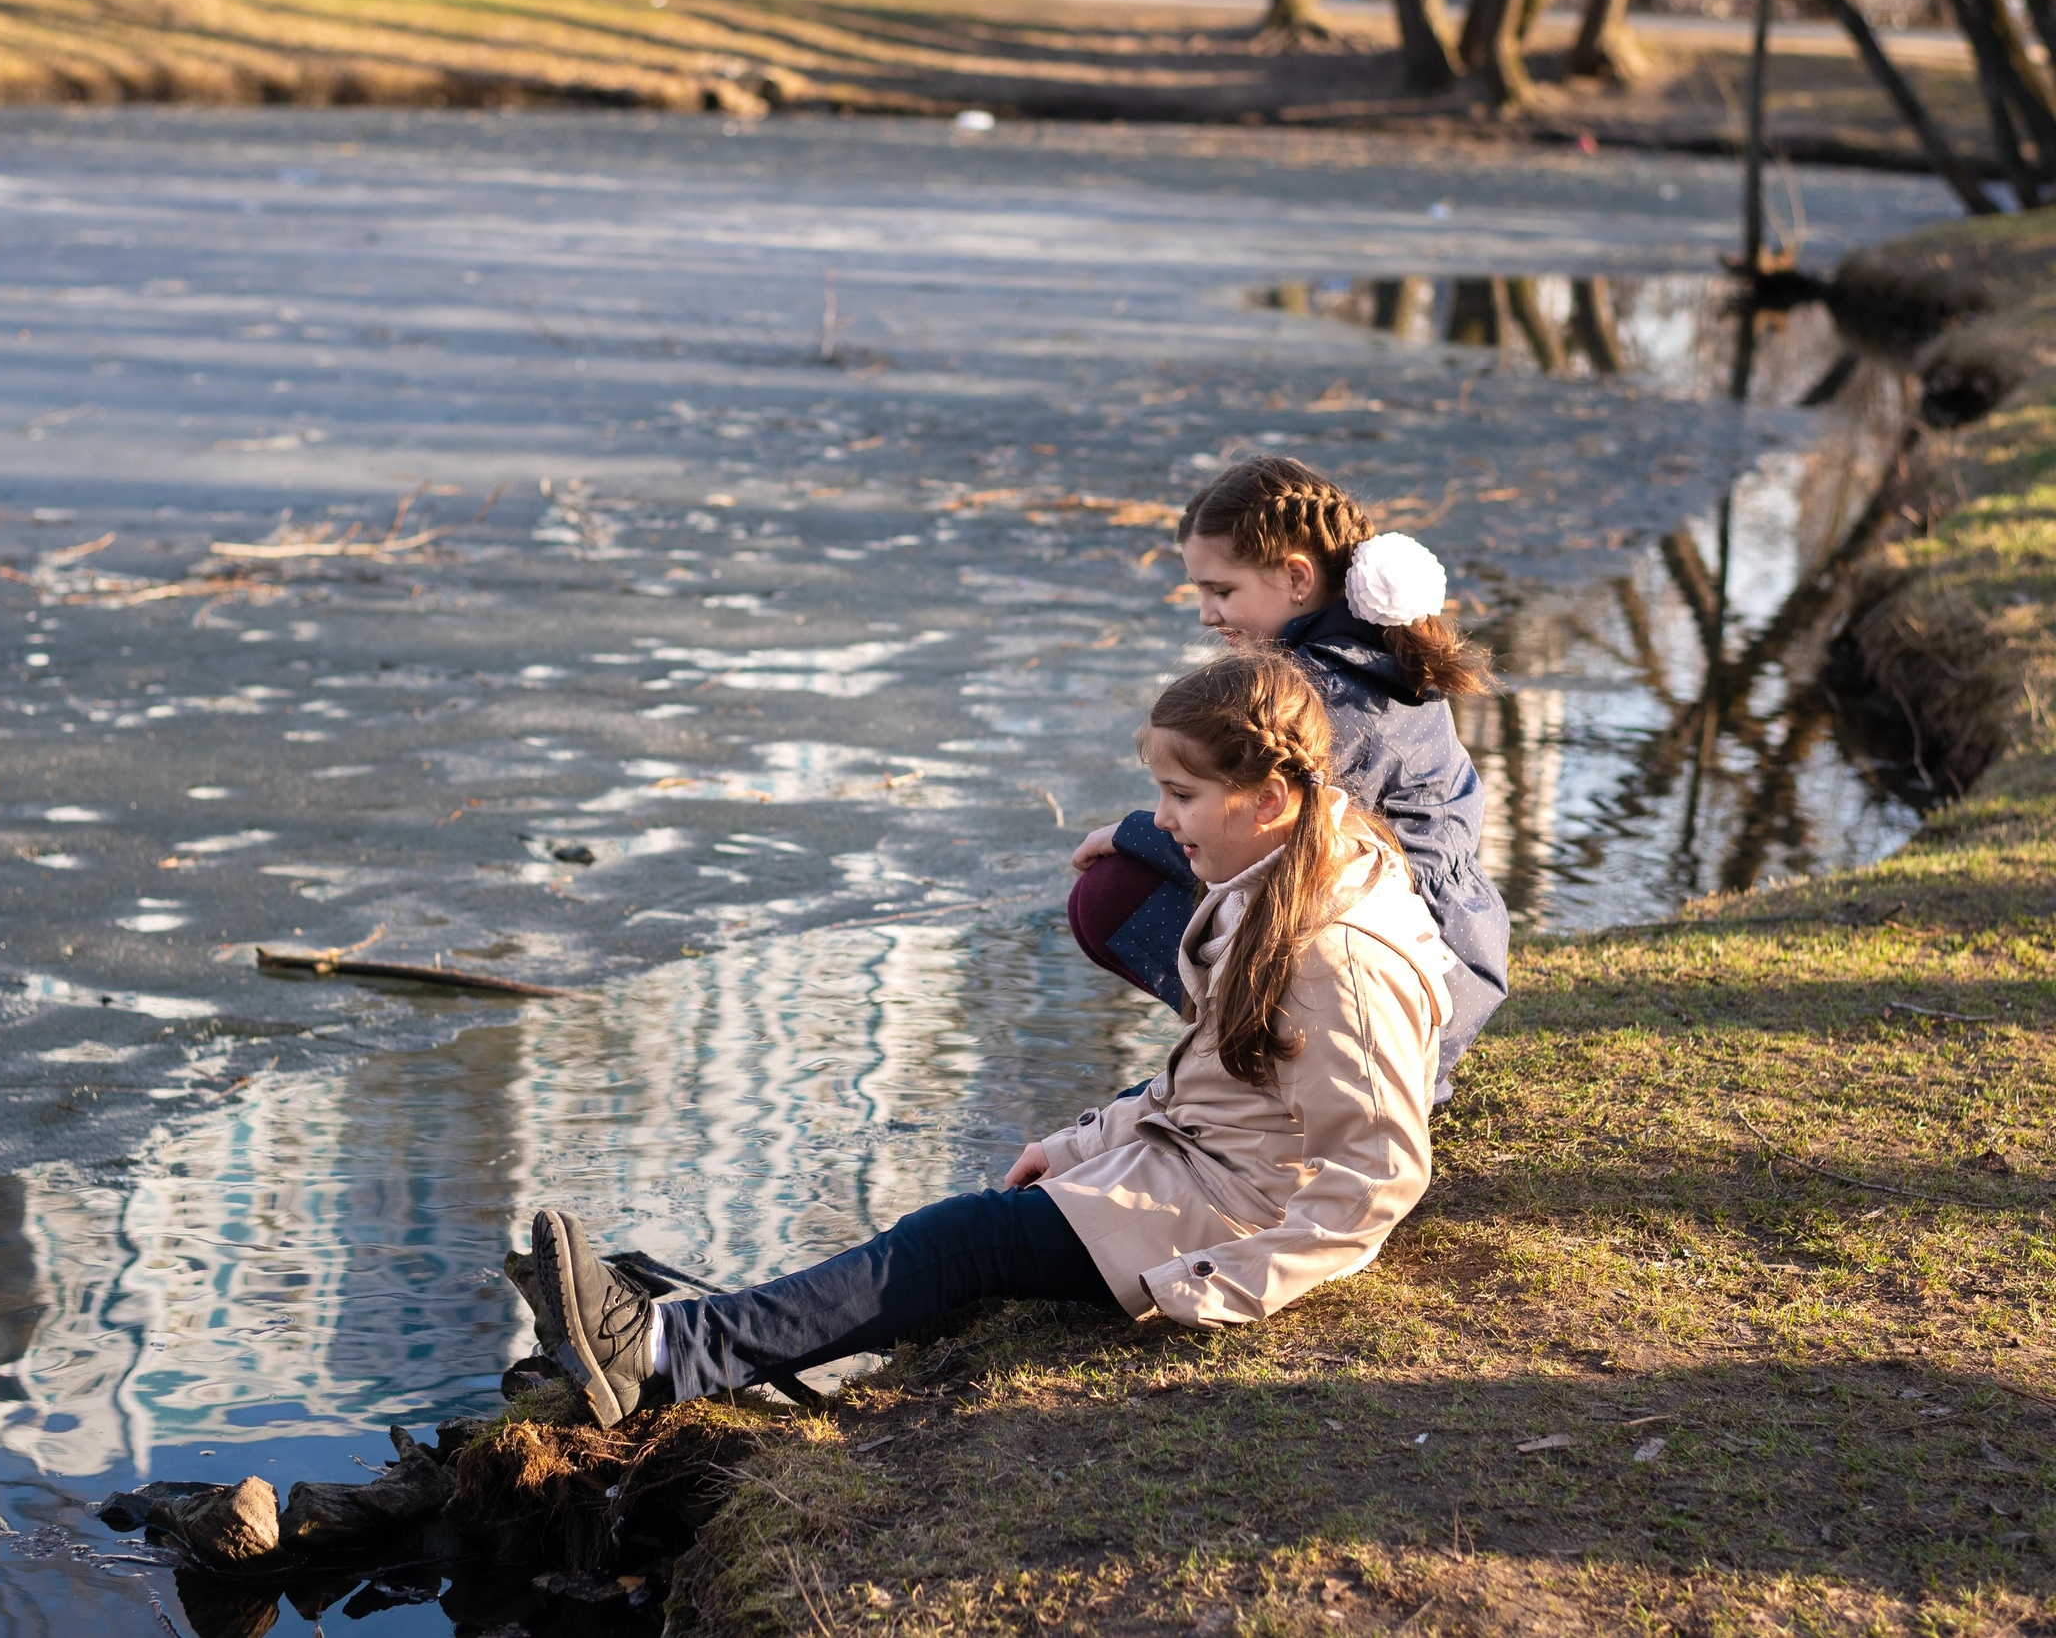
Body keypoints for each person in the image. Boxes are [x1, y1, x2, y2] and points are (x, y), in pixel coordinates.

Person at [513, 648, 1457, 1425]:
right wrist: (1081, 1143)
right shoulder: (1290, 872)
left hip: (1230, 1211)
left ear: (1269, 798)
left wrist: (1216, 1283)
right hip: (1206, 1168)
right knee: (962, 1236)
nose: (1162, 821)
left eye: (1181, 796)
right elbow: (1220, 1088)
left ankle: (665, 1352)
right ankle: (710, 1340)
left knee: (958, 1240)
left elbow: (1378, 1170)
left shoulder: (1335, 949)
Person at [1069, 455, 1508, 1098]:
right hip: (1448, 951)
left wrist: (1132, 834)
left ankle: (1273, 1057)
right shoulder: (1372, 653)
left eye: (1221, 591)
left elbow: (1256, 825)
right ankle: (1253, 1048)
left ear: (1297, 577)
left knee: (1110, 895)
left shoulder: (1320, 695)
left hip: (1409, 976)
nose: (1205, 614)